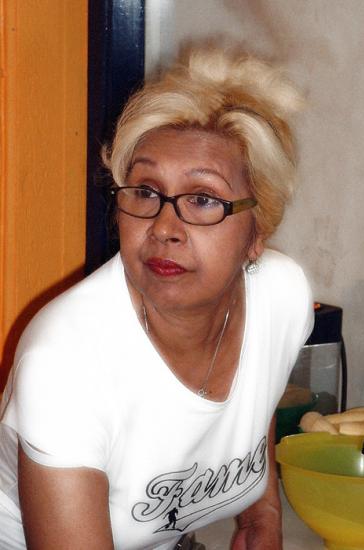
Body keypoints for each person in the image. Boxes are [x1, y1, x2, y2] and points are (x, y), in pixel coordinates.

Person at [0, 46, 313, 549]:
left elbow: (257, 393)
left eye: (203, 199)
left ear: (258, 232)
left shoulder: (283, 296)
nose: (165, 227)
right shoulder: (65, 362)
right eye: (145, 192)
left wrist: (263, 512)